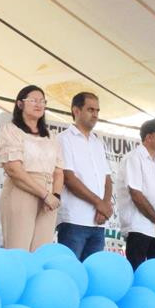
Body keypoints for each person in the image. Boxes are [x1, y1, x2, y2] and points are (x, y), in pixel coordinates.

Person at [0, 85, 64, 251]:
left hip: (49, 198)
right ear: (20, 104)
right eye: (33, 100)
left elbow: (59, 171)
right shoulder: (11, 131)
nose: (39, 104)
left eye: (42, 101)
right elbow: (14, 170)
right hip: (22, 190)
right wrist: (44, 194)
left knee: (41, 252)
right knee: (18, 250)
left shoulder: (50, 135)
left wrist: (55, 195)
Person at [56, 92, 112, 261]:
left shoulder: (97, 143)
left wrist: (105, 205)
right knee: (71, 271)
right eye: (90, 109)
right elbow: (69, 178)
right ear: (76, 111)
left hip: (98, 221)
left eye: (97, 111)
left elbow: (107, 179)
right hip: (74, 219)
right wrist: (99, 203)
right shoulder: (64, 139)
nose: (95, 115)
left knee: (93, 274)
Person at [117, 118, 155, 269]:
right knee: (137, 272)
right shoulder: (134, 158)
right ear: (149, 137)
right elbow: (135, 193)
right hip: (140, 228)